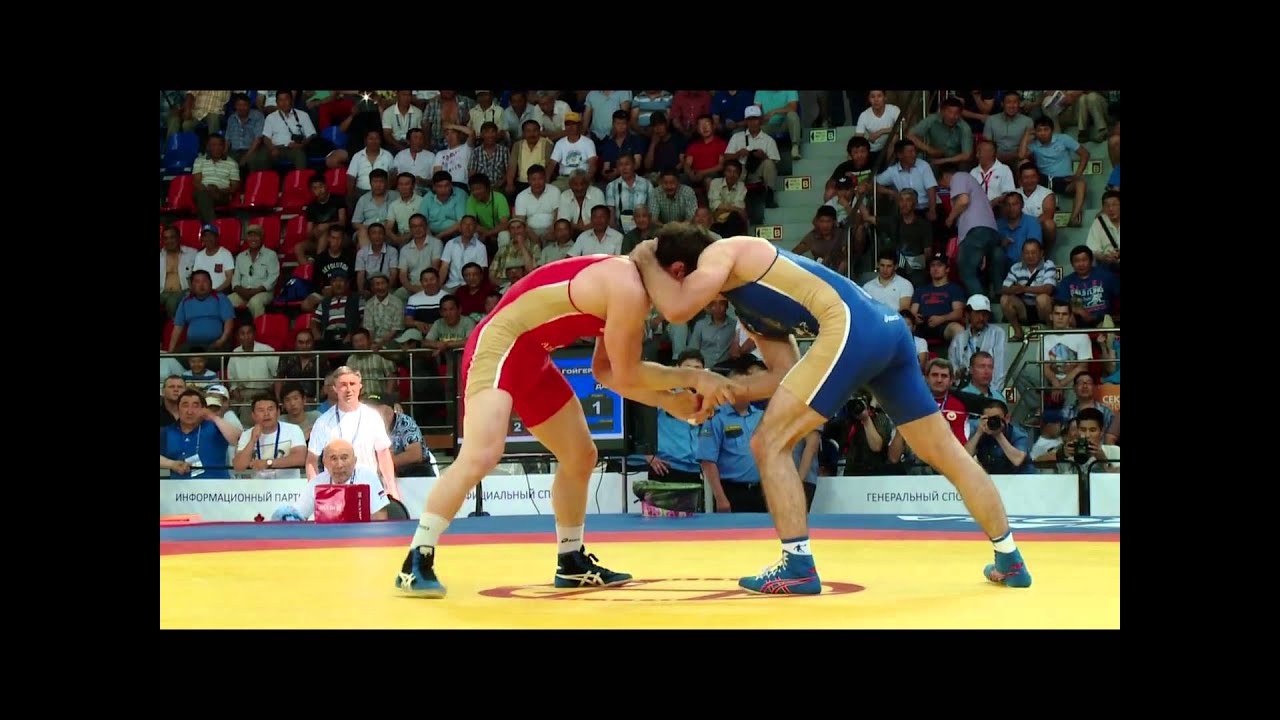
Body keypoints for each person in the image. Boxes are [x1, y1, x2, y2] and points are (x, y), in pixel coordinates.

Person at [630, 225, 1032, 593]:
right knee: (946, 452)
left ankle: (797, 566)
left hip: (852, 328)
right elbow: (783, 374)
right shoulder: (748, 307)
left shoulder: (726, 249)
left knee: (768, 443)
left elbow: (676, 310)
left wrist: (645, 256)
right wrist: (726, 389)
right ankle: (1009, 559)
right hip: (886, 332)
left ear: (679, 271)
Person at [395, 254, 742, 598]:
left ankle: (571, 560)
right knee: (482, 454)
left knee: (580, 455)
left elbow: (608, 372)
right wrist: (692, 380)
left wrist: (668, 399)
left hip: (533, 358)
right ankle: (416, 559)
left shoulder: (637, 286)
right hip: (500, 344)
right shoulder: (629, 285)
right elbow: (628, 373)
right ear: (677, 272)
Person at [306, 367, 400, 502]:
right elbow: (311, 460)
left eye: (352, 384)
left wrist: (391, 487)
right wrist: (314, 491)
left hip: (368, 489)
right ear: (335, 388)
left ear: (360, 386)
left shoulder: (372, 417)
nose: (349, 389)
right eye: (343, 385)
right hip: (335, 493)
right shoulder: (323, 421)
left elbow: (383, 453)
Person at [272, 439, 393, 521]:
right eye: (333, 459)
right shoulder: (318, 482)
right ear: (324, 462)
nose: (339, 465)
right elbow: (298, 514)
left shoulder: (368, 477)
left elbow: (380, 518)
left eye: (344, 458)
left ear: (355, 461)